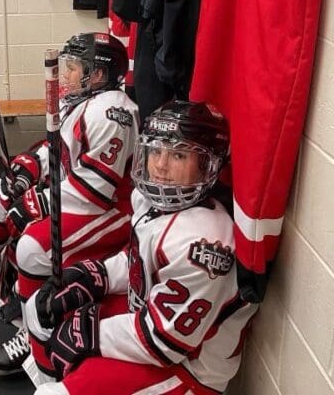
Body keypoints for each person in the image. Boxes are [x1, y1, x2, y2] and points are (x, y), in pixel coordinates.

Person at [0, 32, 138, 375]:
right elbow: (56, 149)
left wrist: (37, 202)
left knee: (33, 248)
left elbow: (96, 188)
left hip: (110, 208)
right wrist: (30, 166)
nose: (66, 74)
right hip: (78, 192)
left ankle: (31, 335)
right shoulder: (78, 100)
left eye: (74, 67)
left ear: (100, 74)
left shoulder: (113, 113)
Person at [25, 100, 259, 393]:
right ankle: (65, 378)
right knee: (41, 308)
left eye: (178, 155)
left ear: (207, 164)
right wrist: (94, 276)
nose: (160, 165)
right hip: (150, 319)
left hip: (189, 369)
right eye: (155, 150)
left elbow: (164, 343)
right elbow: (139, 263)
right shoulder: (150, 201)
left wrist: (89, 334)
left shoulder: (205, 246)